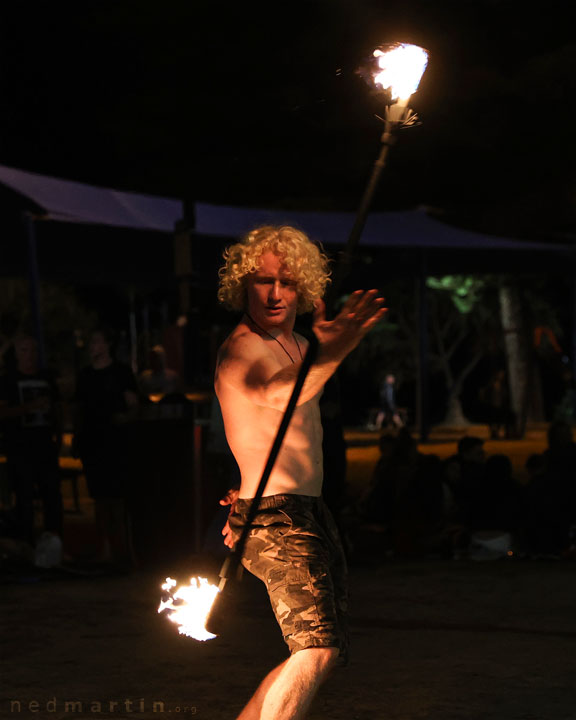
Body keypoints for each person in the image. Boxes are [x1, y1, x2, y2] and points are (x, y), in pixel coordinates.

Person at [215, 225, 385, 720]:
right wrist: (337, 349)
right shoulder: (242, 347)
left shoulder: (296, 343)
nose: (274, 293)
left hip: (304, 510)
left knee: (314, 652)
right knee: (318, 648)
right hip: (276, 519)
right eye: (263, 281)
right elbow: (273, 397)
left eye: (287, 282)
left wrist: (325, 348)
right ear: (242, 285)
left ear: (304, 287)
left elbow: (271, 428)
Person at [72, 328, 139, 570]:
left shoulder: (121, 373)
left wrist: (126, 418)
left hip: (116, 441)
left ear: (107, 344)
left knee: (118, 498)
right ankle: (105, 550)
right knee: (99, 498)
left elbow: (134, 405)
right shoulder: (85, 376)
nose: (92, 345)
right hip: (93, 442)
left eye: (97, 340)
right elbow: (79, 409)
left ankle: (123, 551)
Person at [0, 334, 63, 548]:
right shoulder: (8, 380)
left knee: (52, 496)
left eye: (33, 350)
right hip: (20, 447)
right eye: (24, 350)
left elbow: (57, 408)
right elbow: (3, 412)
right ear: (17, 354)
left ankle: (54, 544)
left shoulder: (46, 378)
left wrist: (60, 436)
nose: (30, 355)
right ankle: (26, 545)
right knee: (24, 497)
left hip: (45, 445)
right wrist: (29, 407)